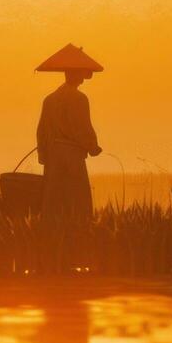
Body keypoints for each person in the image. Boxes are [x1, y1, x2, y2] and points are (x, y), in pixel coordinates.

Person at [35, 44, 104, 223]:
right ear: (78, 75)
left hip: (52, 153)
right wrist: (93, 146)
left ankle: (51, 234)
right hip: (72, 153)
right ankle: (78, 233)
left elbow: (41, 130)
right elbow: (82, 128)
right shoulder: (79, 99)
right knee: (77, 198)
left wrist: (43, 154)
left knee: (53, 199)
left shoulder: (49, 100)